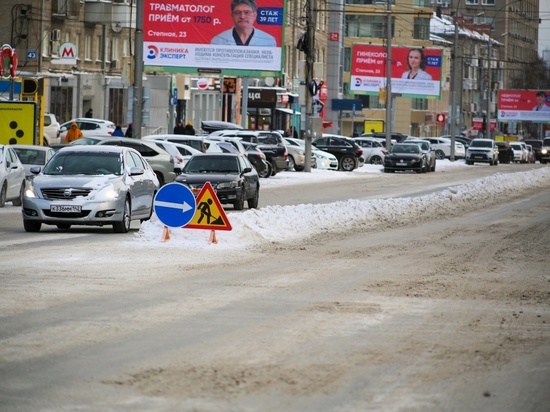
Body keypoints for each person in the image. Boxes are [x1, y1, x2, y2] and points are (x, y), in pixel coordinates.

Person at [210, 0, 277, 47]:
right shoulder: (218, 40)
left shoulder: (269, 40)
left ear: (254, 15)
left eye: (247, 12)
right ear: (232, 15)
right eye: (237, 13)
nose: (242, 16)